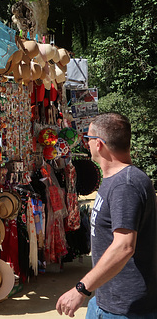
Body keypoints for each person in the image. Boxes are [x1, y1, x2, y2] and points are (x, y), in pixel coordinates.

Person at [56, 113, 157, 318]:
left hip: (125, 309)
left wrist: (81, 289)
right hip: (106, 299)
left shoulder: (125, 184)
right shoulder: (118, 180)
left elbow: (124, 246)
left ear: (99, 144)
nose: (87, 144)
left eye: (89, 138)